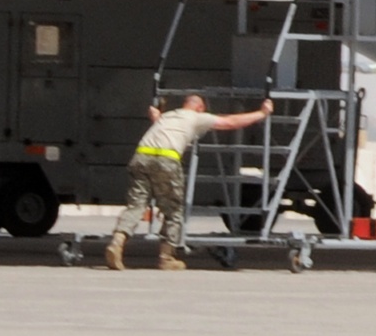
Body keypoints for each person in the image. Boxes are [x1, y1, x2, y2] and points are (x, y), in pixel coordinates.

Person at [105, 94, 274, 271]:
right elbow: (230, 122)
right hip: (166, 160)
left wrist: (155, 114)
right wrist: (261, 113)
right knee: (173, 209)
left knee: (136, 205)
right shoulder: (197, 117)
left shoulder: (170, 116)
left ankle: (117, 242)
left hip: (140, 157)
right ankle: (166, 257)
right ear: (200, 108)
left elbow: (157, 119)